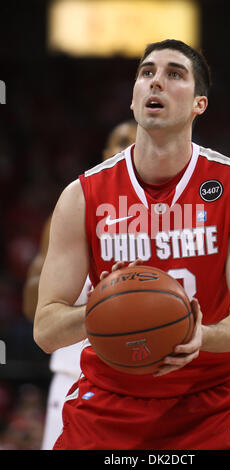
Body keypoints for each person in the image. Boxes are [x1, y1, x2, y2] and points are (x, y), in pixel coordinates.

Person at [34, 39, 230, 450]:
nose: (156, 82)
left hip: (213, 401)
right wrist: (111, 306)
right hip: (109, 401)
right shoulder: (82, 195)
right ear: (133, 99)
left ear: (200, 103)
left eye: (174, 74)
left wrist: (203, 337)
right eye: (147, 73)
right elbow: (46, 331)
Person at [22, 120, 137, 450]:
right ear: (105, 154)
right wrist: (106, 296)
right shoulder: (73, 210)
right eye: (121, 141)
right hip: (77, 378)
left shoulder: (166, 217)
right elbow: (34, 308)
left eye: (137, 141)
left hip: (144, 385)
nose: (128, 148)